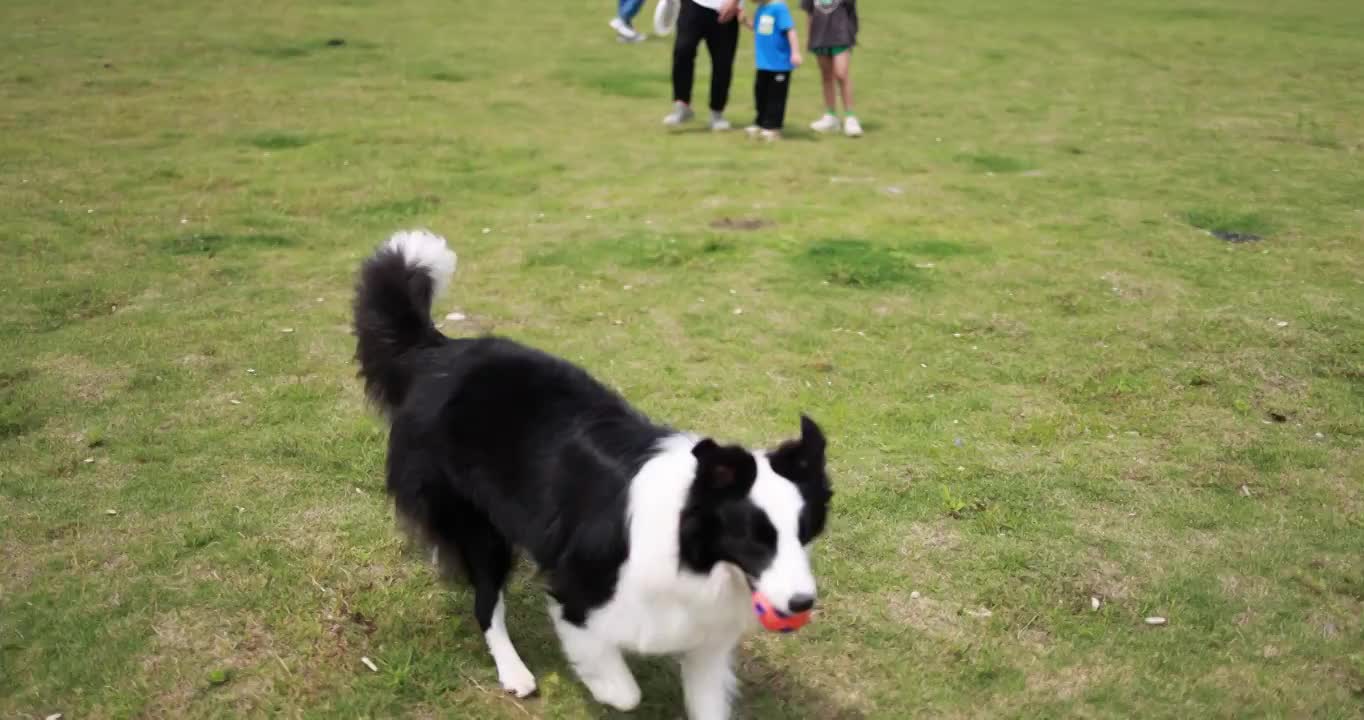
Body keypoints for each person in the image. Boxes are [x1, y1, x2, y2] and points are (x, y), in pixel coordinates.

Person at [663, 0, 743, 131]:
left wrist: (734, 2)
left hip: (725, 7)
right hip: (694, 4)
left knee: (722, 62)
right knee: (683, 50)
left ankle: (717, 113)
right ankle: (681, 105)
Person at [743, 0, 802, 141]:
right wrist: (744, 21)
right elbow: (758, 28)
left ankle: (773, 127)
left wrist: (795, 52)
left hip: (779, 64)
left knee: (776, 97)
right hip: (764, 64)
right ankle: (761, 122)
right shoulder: (761, 8)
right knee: (760, 94)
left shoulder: (779, 8)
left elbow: (790, 30)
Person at [801, 0, 861, 137]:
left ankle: (850, 117)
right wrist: (809, 38)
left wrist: (851, 34)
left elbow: (851, 12)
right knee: (826, 76)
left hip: (840, 35)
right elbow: (809, 13)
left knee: (841, 73)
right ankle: (830, 116)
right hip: (819, 35)